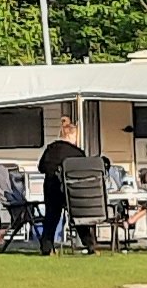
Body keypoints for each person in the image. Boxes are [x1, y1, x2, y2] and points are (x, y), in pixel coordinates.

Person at [36, 108, 104, 254]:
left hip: (51, 187)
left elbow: (41, 168)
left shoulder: (50, 149)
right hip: (72, 190)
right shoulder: (77, 153)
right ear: (72, 135)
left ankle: (46, 247)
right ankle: (90, 245)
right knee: (78, 215)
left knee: (51, 217)